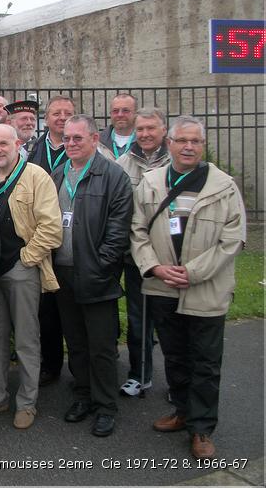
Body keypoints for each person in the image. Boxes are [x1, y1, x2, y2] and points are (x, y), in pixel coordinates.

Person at [131, 115, 246, 460]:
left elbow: (233, 239)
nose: (189, 147)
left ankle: (202, 429)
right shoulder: (150, 183)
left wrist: (191, 272)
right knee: (175, 355)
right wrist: (154, 267)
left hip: (205, 288)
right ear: (170, 144)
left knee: (206, 362)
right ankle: (182, 411)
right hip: (164, 286)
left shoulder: (224, 186)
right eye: (182, 140)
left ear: (203, 145)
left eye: (195, 141)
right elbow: (136, 231)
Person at [0, 124, 62, 429]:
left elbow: (51, 227)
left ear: (17, 144)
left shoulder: (37, 177)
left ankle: (27, 402)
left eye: (3, 144)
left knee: (26, 338)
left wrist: (27, 258)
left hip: (20, 269)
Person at [51, 115, 132, 438]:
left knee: (101, 346)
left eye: (77, 138)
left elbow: (118, 228)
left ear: (94, 139)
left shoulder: (113, 176)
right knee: (77, 343)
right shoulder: (58, 175)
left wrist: (102, 265)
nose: (70, 143)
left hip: (97, 274)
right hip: (64, 274)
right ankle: (83, 394)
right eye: (67, 138)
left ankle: (105, 406)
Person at [115, 108, 170, 397]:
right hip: (136, 255)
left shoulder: (176, 161)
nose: (146, 134)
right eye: (141, 129)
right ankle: (140, 373)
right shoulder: (124, 162)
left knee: (174, 322)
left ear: (164, 130)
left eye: (152, 128)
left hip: (173, 256)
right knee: (139, 318)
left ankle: (178, 383)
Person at [27, 95, 75, 388]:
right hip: (40, 236)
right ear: (47, 118)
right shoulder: (34, 149)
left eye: (67, 113)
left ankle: (82, 364)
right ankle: (51, 363)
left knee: (72, 305)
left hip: (71, 238)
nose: (61, 117)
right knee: (45, 309)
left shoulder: (81, 148)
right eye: (56, 113)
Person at [99, 93, 138, 160]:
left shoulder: (143, 141)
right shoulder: (98, 143)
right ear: (110, 114)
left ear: (135, 114)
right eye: (115, 111)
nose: (120, 115)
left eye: (125, 110)